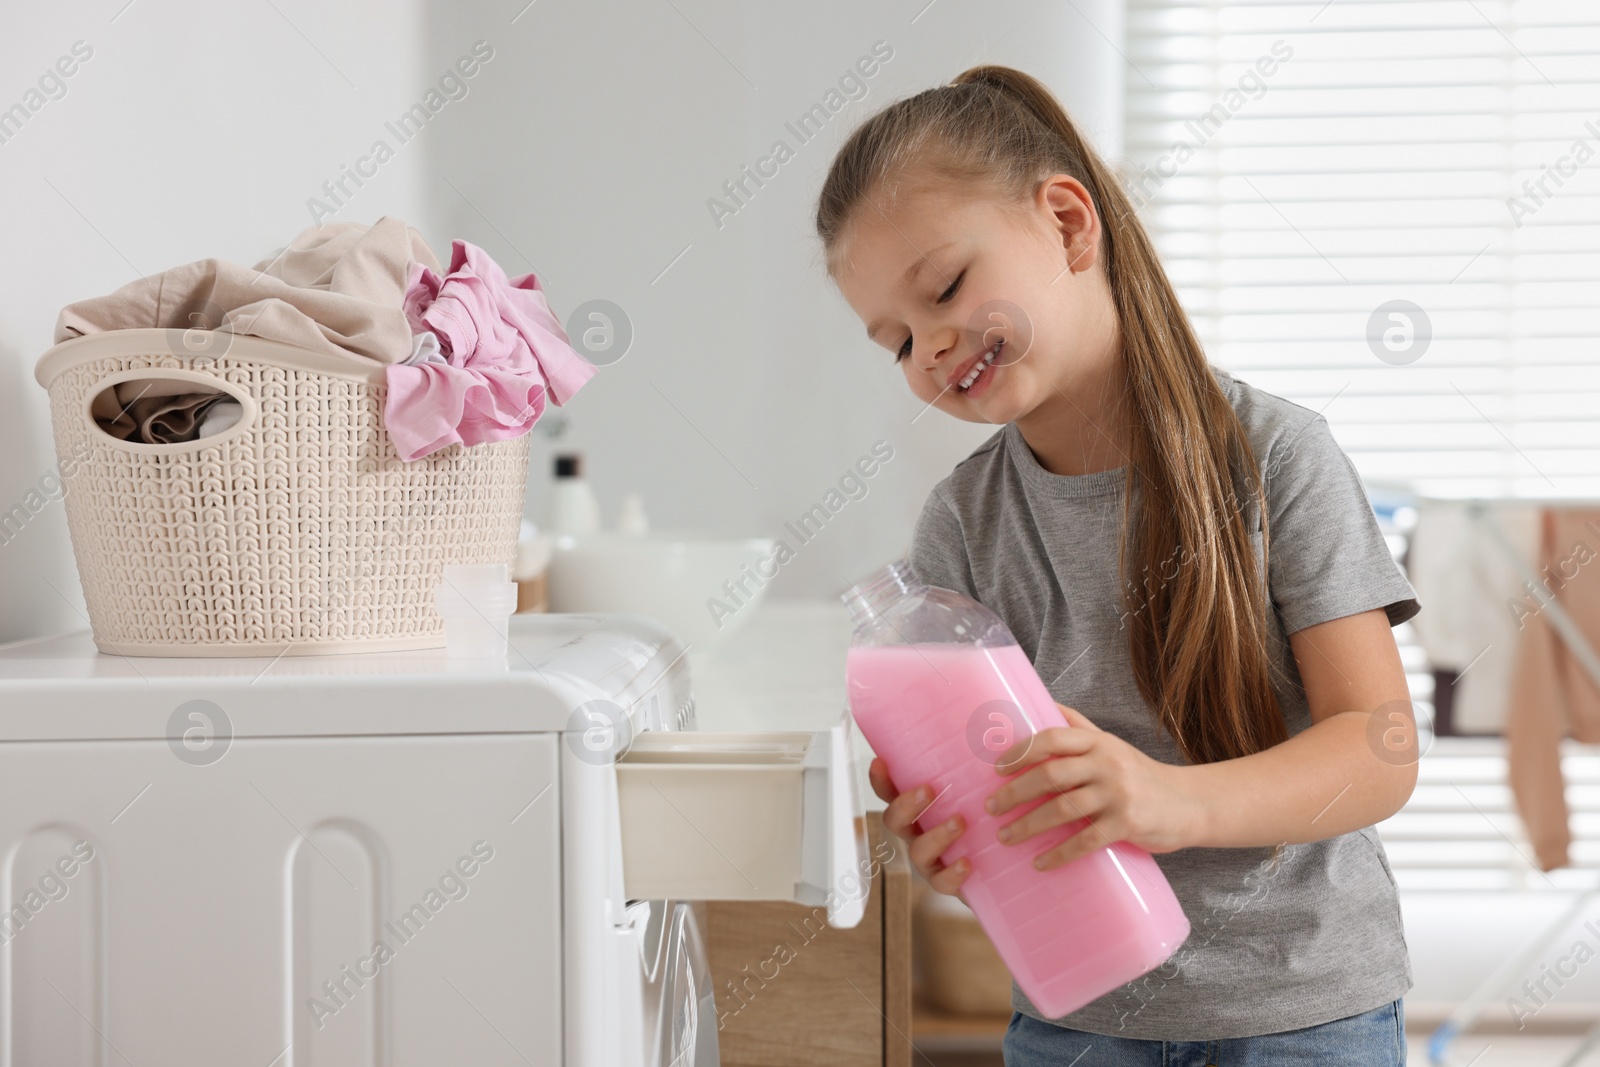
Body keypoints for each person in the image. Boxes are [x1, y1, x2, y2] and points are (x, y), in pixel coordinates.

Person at [816, 65, 1419, 1064]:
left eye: (946, 287)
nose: (930, 347)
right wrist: (949, 843)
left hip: (1301, 1013)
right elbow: (991, 801)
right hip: (1077, 1019)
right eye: (896, 341)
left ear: (1065, 222)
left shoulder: (1275, 457)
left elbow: (1379, 743)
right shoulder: (960, 523)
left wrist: (1167, 801)